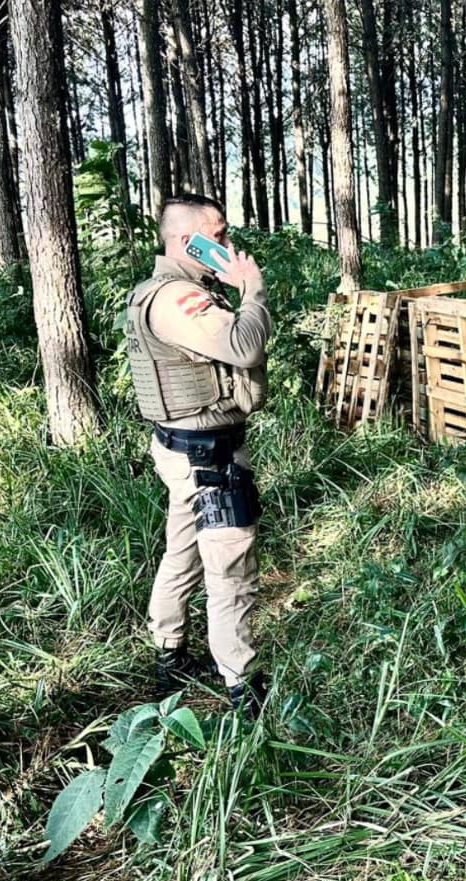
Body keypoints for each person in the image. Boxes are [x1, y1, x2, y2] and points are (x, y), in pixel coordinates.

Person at [124, 193, 271, 715]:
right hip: (209, 459)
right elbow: (244, 347)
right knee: (231, 565)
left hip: (186, 451)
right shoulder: (177, 299)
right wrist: (252, 291)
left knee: (182, 550)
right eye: (220, 235)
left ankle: (170, 651)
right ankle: (241, 683)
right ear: (190, 242)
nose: (228, 246)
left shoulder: (167, 291)